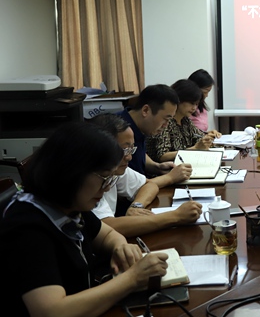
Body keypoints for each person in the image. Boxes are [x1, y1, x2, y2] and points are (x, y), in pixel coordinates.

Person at [0, 122, 168, 316]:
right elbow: (51, 311)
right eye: (104, 178)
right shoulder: (27, 229)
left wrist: (121, 246)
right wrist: (132, 279)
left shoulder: (67, 202)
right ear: (71, 173)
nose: (107, 187)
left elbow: (107, 235)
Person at [89, 114, 202, 237]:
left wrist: (136, 206)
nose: (129, 157)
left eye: (131, 150)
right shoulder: (88, 178)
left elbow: (149, 185)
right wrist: (176, 216)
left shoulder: (115, 169)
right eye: (124, 150)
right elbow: (105, 227)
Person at [116, 84, 188, 183]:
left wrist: (156, 167)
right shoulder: (118, 132)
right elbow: (129, 185)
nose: (166, 125)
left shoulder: (140, 125)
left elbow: (139, 154)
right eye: (166, 119)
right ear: (145, 110)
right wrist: (170, 178)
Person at [146, 79, 217, 162]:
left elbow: (199, 138)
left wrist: (209, 138)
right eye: (191, 103)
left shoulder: (185, 121)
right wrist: (195, 149)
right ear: (179, 99)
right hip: (164, 168)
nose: (194, 108)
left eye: (196, 104)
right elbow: (162, 155)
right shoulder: (166, 121)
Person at [188, 69, 221, 137]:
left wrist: (207, 133)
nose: (206, 95)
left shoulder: (201, 107)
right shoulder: (185, 111)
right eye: (205, 92)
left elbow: (197, 133)